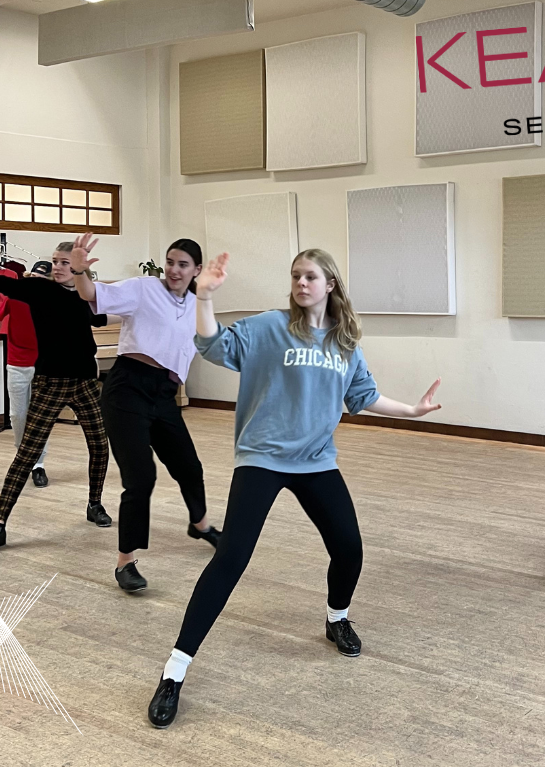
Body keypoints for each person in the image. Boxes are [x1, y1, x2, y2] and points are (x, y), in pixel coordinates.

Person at [147, 249, 442, 729]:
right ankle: (174, 672)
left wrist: (412, 410)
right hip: (262, 457)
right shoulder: (269, 326)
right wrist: (203, 297)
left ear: (330, 285)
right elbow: (211, 344)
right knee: (231, 559)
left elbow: (363, 396)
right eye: (296, 276)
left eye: (311, 276)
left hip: (315, 462)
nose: (302, 283)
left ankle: (336, 618)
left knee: (349, 547)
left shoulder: (345, 343)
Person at [69, 234, 221, 594]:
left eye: (183, 264)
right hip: (128, 388)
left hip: (164, 394)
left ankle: (200, 525)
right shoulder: (143, 288)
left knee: (188, 466)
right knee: (141, 478)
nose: (173, 270)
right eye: (170, 262)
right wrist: (78, 270)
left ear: (196, 270)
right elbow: (91, 295)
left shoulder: (199, 304)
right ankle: (125, 563)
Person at [0, 224, 112, 557]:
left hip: (86, 384)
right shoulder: (38, 290)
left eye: (66, 262)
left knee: (100, 446)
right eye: (56, 261)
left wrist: (83, 275)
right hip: (50, 383)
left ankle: (94, 504)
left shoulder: (87, 295)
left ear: (78, 265)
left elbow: (101, 318)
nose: (60, 267)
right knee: (25, 456)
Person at [0, 260, 53, 488]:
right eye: (34, 277)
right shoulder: (16, 296)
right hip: (17, 362)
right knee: (18, 415)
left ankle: (38, 465)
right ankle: (24, 456)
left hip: (44, 364)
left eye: (42, 279)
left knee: (40, 417)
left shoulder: (55, 300)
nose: (37, 282)